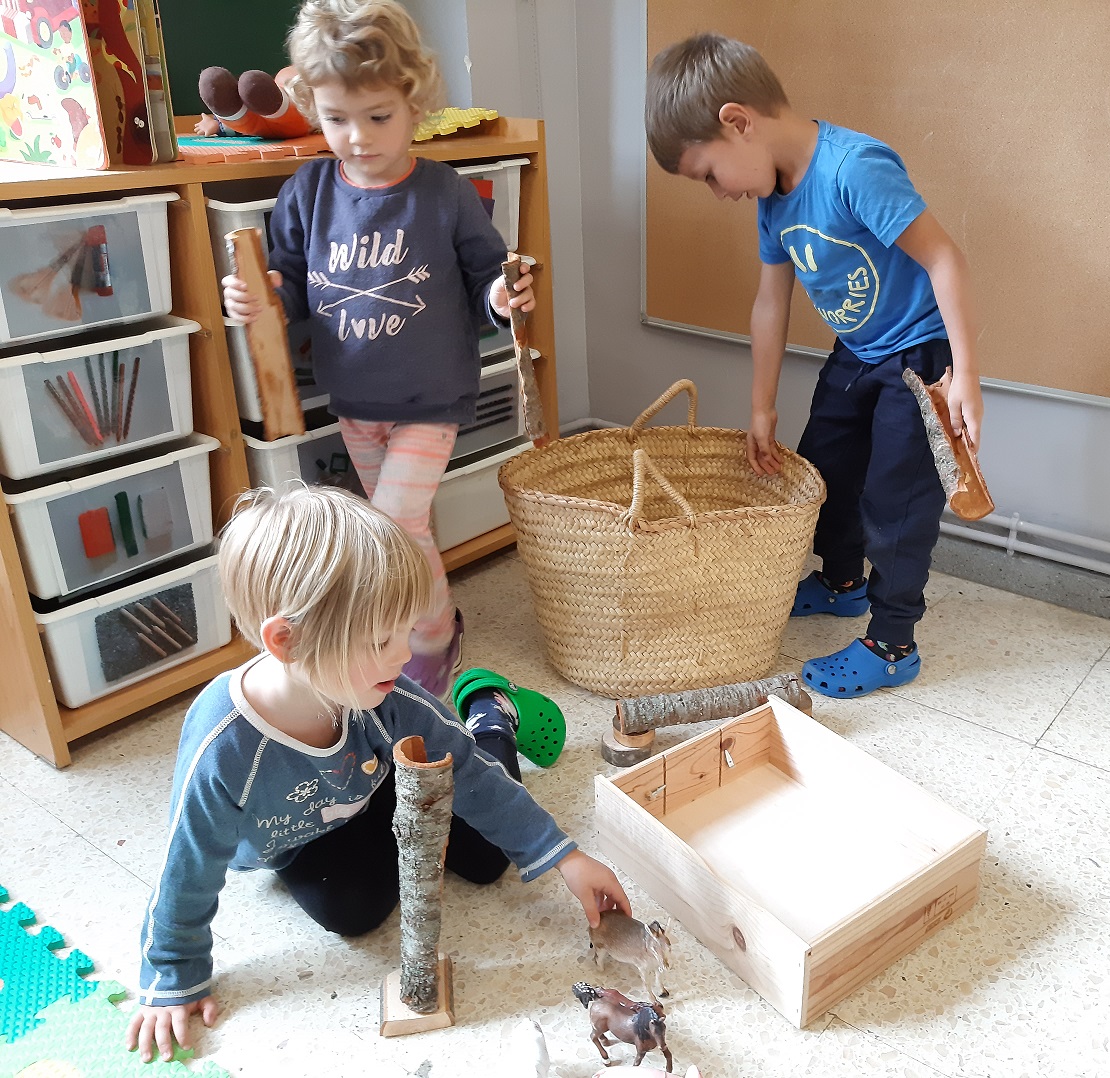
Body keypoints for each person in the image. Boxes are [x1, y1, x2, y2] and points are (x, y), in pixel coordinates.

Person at [125, 486, 629, 1064]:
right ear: (287, 642)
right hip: (305, 835)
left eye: (404, 632)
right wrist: (172, 972)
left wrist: (563, 855)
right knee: (355, 912)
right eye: (378, 641)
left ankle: (491, 713)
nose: (403, 655)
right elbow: (186, 864)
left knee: (493, 858)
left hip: (378, 779)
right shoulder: (225, 747)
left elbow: (469, 770)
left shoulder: (384, 694)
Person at [644, 33, 984, 699]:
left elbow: (944, 258)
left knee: (896, 501)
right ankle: (842, 582)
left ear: (737, 123)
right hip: (857, 350)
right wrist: (761, 407)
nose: (717, 193)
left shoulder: (854, 169)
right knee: (824, 470)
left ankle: (893, 643)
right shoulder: (773, 198)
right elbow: (770, 303)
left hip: (918, 357)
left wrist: (965, 374)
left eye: (708, 174)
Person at [222, 0, 534, 697]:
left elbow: (487, 276)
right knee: (405, 527)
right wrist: (259, 299)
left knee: (393, 527)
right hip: (355, 400)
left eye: (378, 116)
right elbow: (287, 285)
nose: (357, 137)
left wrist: (501, 295)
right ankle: (425, 625)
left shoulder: (444, 192)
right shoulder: (307, 192)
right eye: (337, 119)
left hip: (432, 398)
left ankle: (429, 639)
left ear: (413, 104)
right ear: (313, 107)